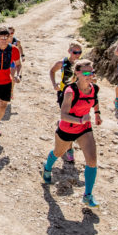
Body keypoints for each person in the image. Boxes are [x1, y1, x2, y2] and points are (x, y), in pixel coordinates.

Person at [41, 59, 102, 208]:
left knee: (92, 160)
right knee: (57, 152)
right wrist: (81, 119)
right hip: (67, 129)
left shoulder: (94, 88)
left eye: (91, 72)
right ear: (77, 73)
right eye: (86, 72)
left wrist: (97, 114)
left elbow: (94, 101)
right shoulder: (70, 91)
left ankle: (87, 195)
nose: (89, 75)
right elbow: (63, 115)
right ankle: (47, 168)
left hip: (84, 129)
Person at [48, 41, 83, 163]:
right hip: (64, 94)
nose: (77, 55)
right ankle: (69, 149)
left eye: (79, 52)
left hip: (78, 96)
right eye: (75, 52)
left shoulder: (83, 65)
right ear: (69, 52)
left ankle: (63, 134)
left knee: (74, 121)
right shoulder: (62, 63)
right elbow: (52, 71)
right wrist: (54, 84)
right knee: (69, 120)